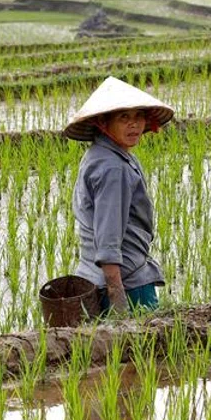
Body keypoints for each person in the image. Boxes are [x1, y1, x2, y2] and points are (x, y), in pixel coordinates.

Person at [64, 77, 174, 316]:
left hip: (98, 276)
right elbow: (108, 237)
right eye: (123, 117)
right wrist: (118, 297)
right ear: (103, 122)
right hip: (125, 282)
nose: (133, 125)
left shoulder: (102, 155)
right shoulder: (113, 168)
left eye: (137, 116)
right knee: (145, 350)